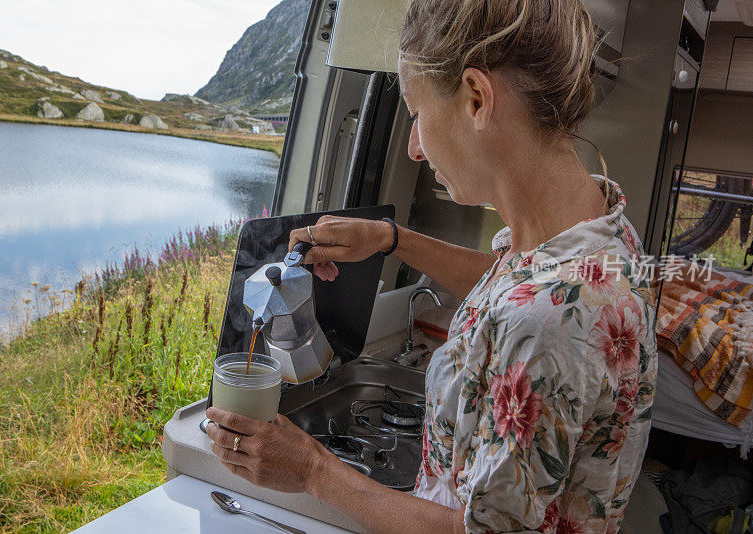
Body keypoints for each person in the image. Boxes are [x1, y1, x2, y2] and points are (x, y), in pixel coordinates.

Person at [205, 0, 658, 532]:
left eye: (417, 113)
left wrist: (312, 470)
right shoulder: (599, 231)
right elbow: (514, 287)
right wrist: (389, 239)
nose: (415, 148)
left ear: (476, 99)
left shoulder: (543, 325)